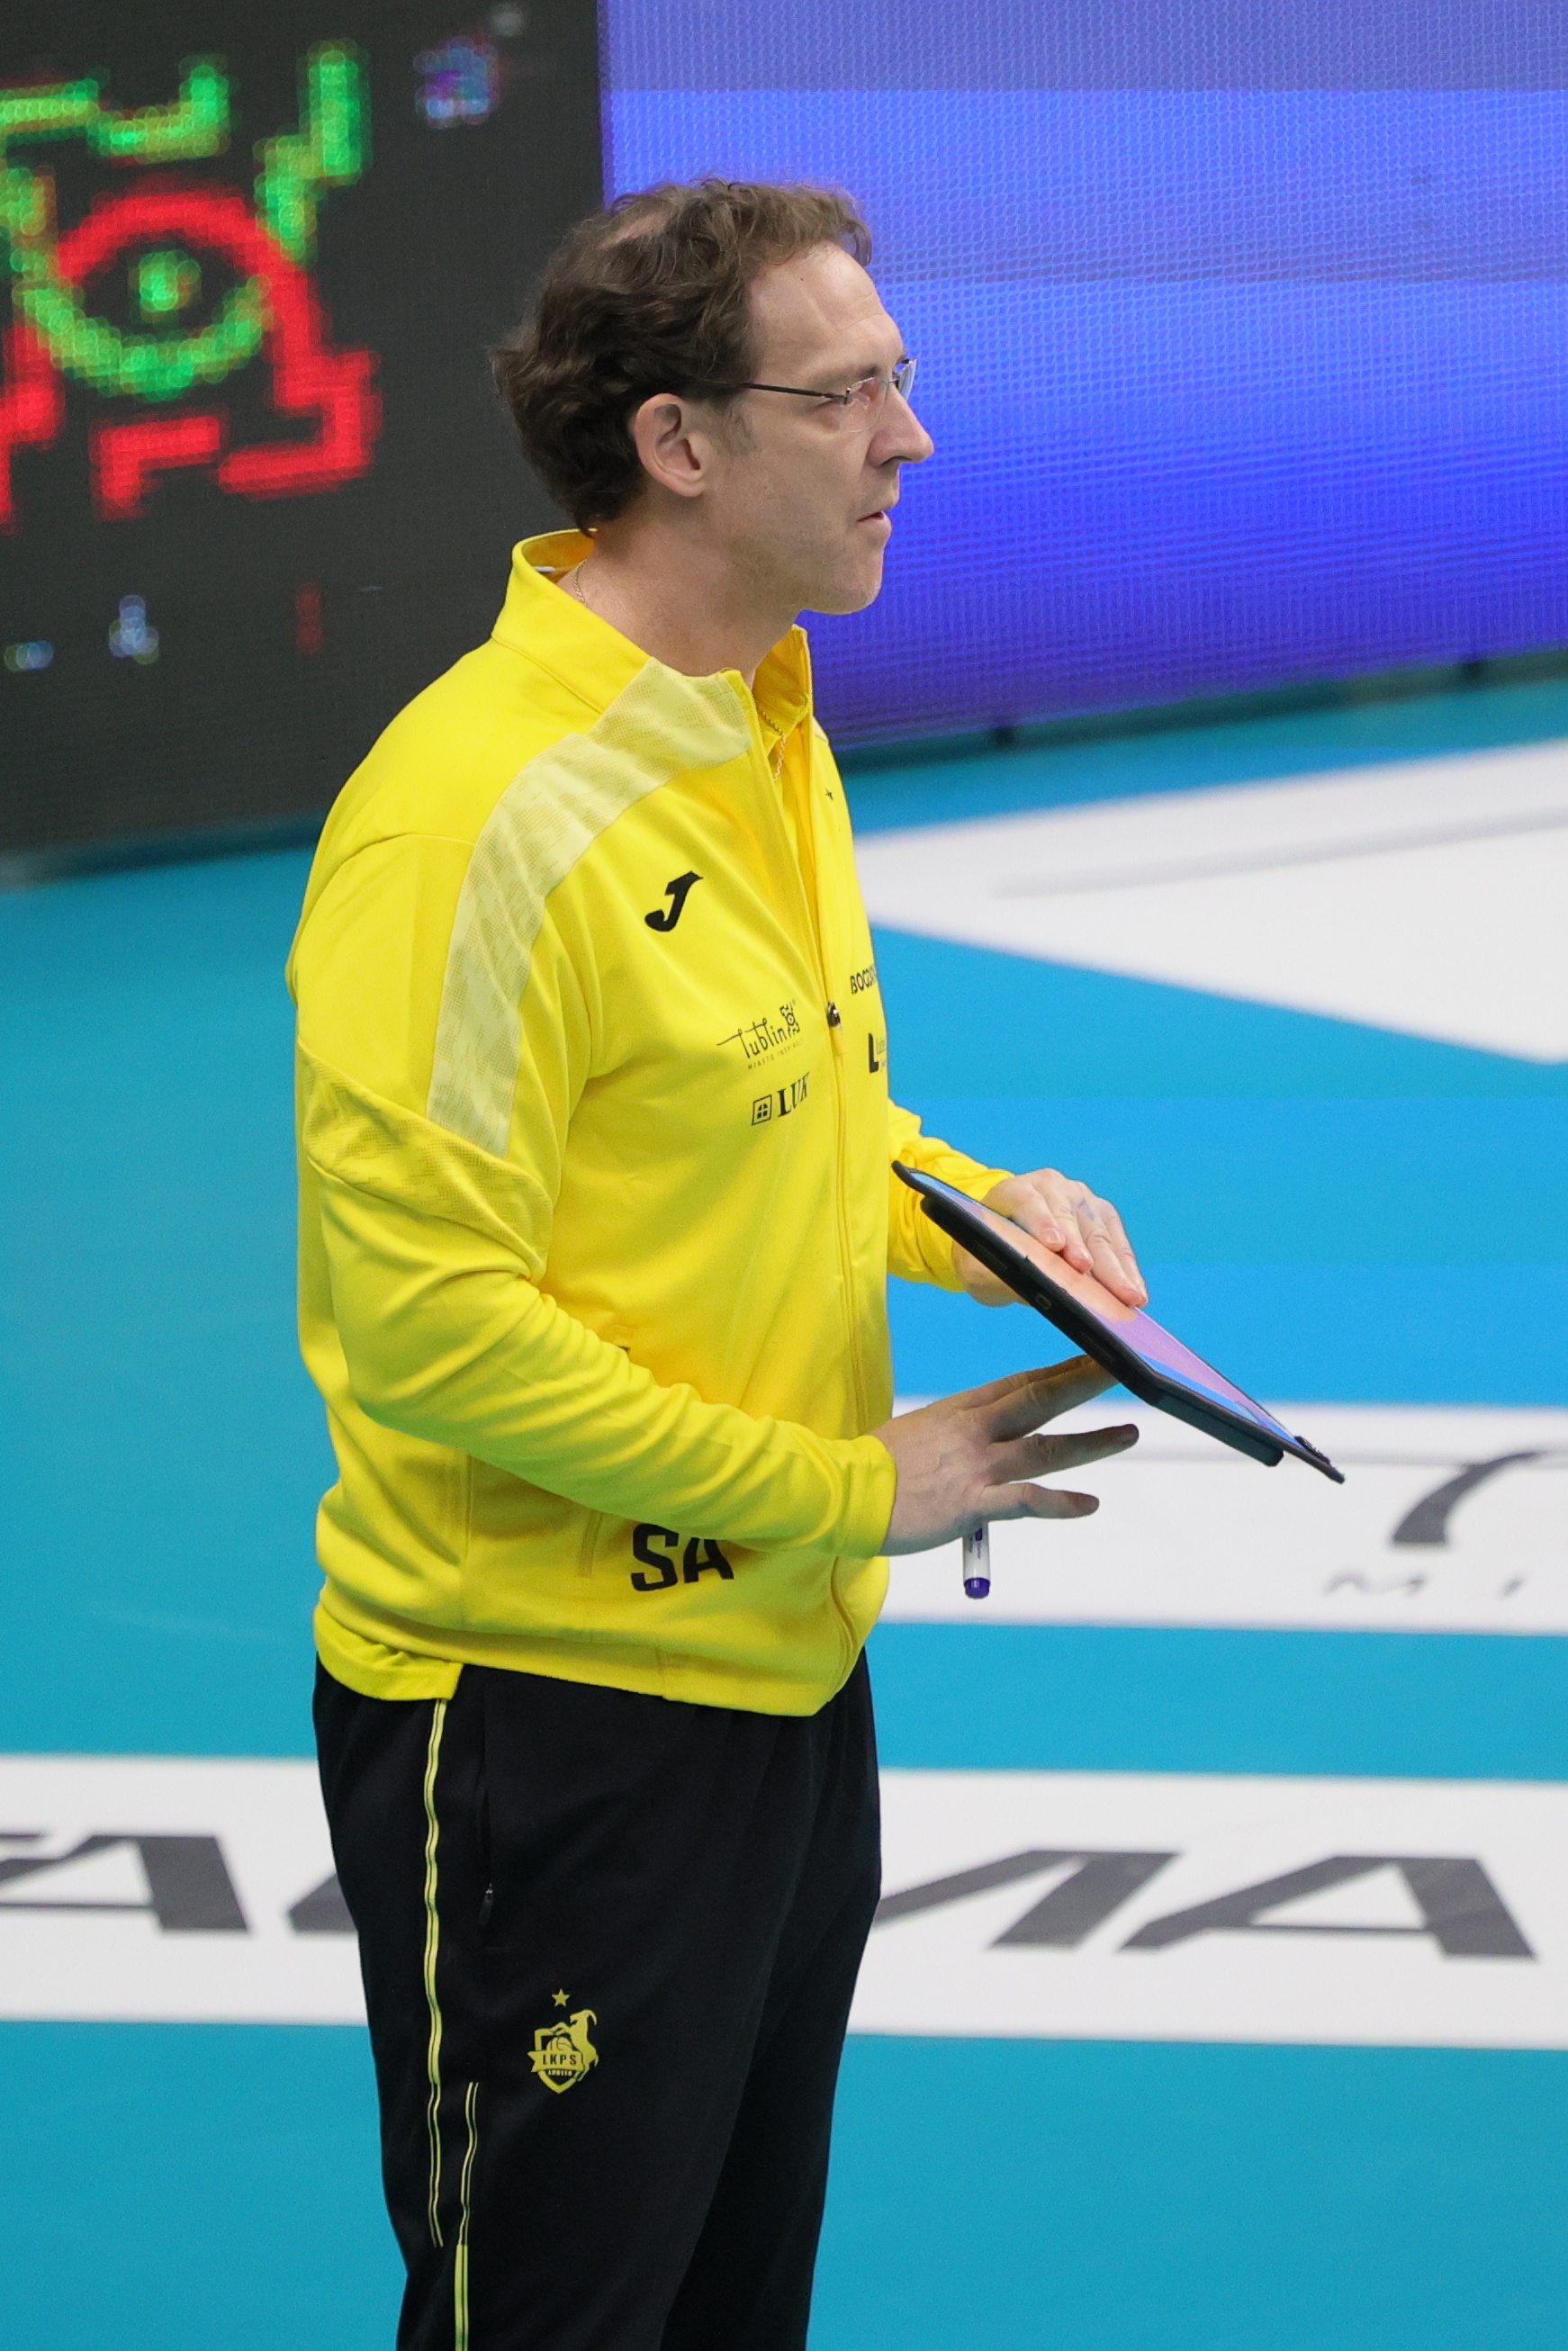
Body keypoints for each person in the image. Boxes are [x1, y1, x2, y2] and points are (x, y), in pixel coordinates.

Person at [288, 179, 1143, 2351]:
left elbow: (789, 1103)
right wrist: (851, 1484)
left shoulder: (759, 715)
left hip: (778, 1672)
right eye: (846, 394)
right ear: (676, 442)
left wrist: (993, 1226)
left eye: (899, 379)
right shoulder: (474, 824)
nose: (908, 438)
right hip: (546, 1721)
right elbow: (434, 1335)